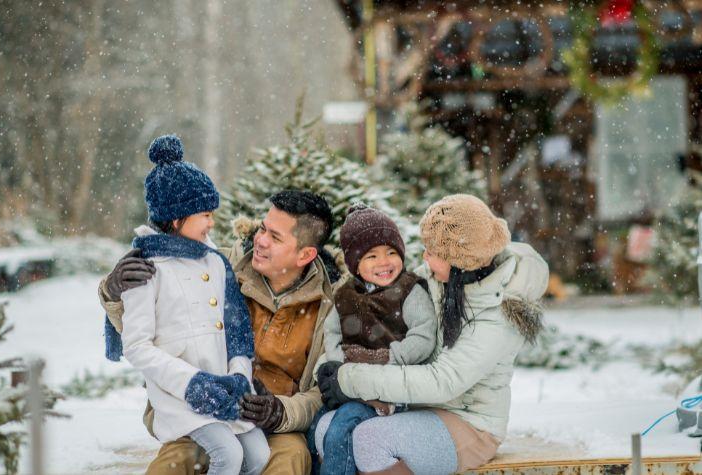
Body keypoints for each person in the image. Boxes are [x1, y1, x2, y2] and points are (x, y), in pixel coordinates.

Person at [100, 188, 342, 475]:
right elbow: (149, 333)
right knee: (174, 464)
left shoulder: (329, 307)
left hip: (276, 424)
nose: (260, 240)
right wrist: (115, 292)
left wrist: (280, 412)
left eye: (275, 237)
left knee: (287, 459)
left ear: (305, 254)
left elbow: (320, 394)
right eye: (262, 228)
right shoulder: (215, 265)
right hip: (201, 409)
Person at [318, 194, 549, 474]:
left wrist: (352, 379)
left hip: (470, 423)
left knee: (370, 440)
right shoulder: (439, 280)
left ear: (459, 261)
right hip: (416, 407)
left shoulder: (499, 315)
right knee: (327, 431)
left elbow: (443, 381)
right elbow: (384, 310)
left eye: (432, 251)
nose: (424, 257)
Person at [115, 134, 269, 474]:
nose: (212, 223)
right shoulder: (146, 268)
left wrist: (238, 377)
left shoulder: (215, 262)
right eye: (205, 215)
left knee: (258, 455)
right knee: (227, 454)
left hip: (226, 389)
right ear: (176, 218)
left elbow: (237, 330)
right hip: (180, 395)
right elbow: (137, 346)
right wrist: (193, 384)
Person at [311, 204, 436, 475]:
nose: (384, 262)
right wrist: (336, 368)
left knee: (341, 428)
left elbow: (424, 336)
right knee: (313, 428)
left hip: (391, 389)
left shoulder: (409, 291)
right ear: (355, 263)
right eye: (372, 256)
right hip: (350, 385)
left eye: (392, 252)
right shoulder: (344, 295)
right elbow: (332, 334)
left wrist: (388, 357)